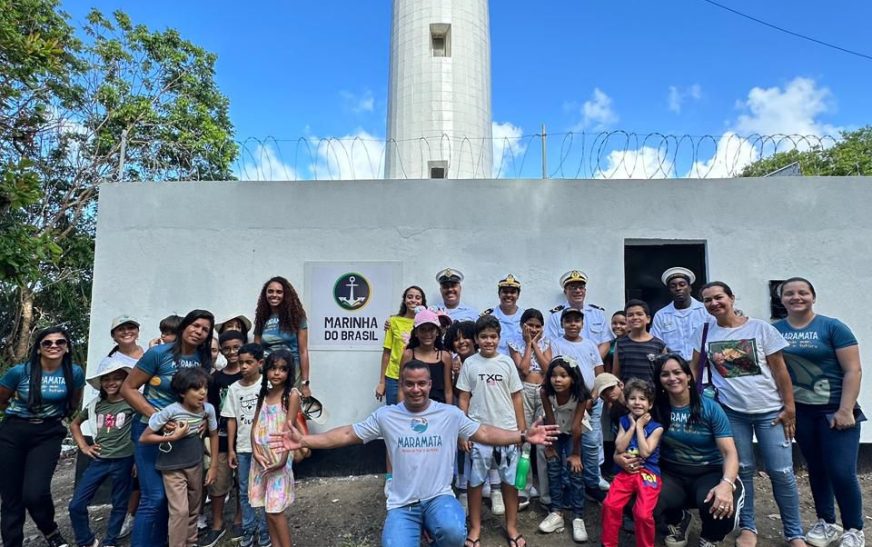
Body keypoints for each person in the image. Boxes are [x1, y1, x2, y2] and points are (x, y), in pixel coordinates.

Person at [267, 360, 559, 547]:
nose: (416, 389)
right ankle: (416, 529)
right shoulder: (387, 416)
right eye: (409, 384)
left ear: (430, 385)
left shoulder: (449, 414)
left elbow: (483, 433)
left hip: (438, 497)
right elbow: (346, 434)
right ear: (402, 386)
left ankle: (433, 535)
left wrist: (522, 435)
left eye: (422, 383)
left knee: (454, 532)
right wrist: (304, 439)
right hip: (402, 504)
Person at [691, 281, 805, 547]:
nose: (714, 303)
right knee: (742, 470)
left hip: (771, 413)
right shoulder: (704, 331)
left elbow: (780, 371)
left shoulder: (760, 328)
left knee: (782, 472)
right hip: (731, 413)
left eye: (718, 297)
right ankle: (748, 527)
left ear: (731, 297)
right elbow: (694, 369)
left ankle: (794, 532)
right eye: (707, 300)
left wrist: (790, 408)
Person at [774, 277, 865, 547]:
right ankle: (827, 522)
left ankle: (854, 528)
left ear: (813, 297)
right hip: (801, 412)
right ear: (781, 300)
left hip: (836, 410)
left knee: (841, 470)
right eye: (789, 293)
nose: (796, 297)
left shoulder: (833, 327)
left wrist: (846, 409)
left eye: (803, 292)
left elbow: (853, 370)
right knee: (816, 468)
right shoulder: (774, 330)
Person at [121, 309, 214, 547]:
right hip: (149, 431)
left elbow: (200, 393)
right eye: (195, 326)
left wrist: (202, 417)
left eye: (205, 329)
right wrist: (158, 417)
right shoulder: (157, 354)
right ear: (184, 326)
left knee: (175, 502)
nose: (199, 332)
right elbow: (128, 389)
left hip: (184, 438)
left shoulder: (204, 359)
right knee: (154, 497)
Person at [637, 353, 744, 547]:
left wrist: (727, 484)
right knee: (639, 500)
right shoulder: (656, 409)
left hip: (708, 471)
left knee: (719, 504)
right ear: (659, 381)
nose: (672, 378)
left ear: (688, 376)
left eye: (677, 372)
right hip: (671, 472)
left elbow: (729, 452)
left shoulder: (710, 408)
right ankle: (678, 519)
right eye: (665, 374)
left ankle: (710, 537)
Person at [0, 326, 85, 547]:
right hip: (14, 432)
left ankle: (50, 530)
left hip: (47, 433)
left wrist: (54, 417)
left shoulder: (74, 372)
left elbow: (73, 402)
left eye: (60, 342)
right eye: (47, 343)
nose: (54, 346)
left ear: (66, 348)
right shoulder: (20, 372)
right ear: (38, 349)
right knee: (11, 496)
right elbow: (1, 399)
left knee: (34, 492)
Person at [457, 315, 526, 547]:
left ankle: (512, 526)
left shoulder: (506, 363)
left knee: (510, 483)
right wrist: (463, 431)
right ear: (476, 339)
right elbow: (463, 398)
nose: (489, 341)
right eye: (484, 337)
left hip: (507, 432)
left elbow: (517, 396)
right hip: (478, 433)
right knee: (475, 483)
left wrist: (521, 430)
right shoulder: (470, 364)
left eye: (493, 337)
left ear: (499, 338)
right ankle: (475, 528)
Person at [140, 367, 219, 547]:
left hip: (195, 464)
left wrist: (213, 466)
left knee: (193, 509)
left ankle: (191, 543)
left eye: (205, 388)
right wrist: (174, 437)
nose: (202, 393)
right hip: (172, 467)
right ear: (182, 392)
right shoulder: (170, 411)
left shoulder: (208, 410)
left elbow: (214, 434)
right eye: (196, 389)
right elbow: (145, 437)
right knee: (180, 511)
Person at [68, 358, 136, 547]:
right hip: (99, 460)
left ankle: (110, 541)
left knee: (119, 503)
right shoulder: (95, 404)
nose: (111, 383)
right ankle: (86, 541)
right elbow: (74, 424)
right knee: (76, 505)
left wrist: (138, 460)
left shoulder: (132, 402)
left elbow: (142, 430)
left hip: (124, 460)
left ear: (125, 380)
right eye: (106, 379)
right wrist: (84, 446)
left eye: (117, 378)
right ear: (100, 383)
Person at [550, 307, 609, 500]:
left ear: (582, 324)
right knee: (568, 444)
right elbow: (555, 372)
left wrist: (593, 396)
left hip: (592, 401)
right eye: (568, 321)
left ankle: (592, 483)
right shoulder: (556, 344)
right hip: (569, 403)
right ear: (562, 324)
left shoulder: (591, 344)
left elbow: (599, 372)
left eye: (577, 321)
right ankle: (569, 486)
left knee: (591, 443)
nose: (573, 324)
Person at [98, 315, 146, 537]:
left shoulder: (148, 354)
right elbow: (104, 397)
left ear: (137, 330)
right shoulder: (110, 362)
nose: (126, 332)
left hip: (151, 415)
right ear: (113, 335)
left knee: (148, 470)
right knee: (130, 473)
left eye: (130, 327)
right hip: (125, 421)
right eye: (121, 329)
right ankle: (129, 515)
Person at [601, 379, 664, 547]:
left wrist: (639, 427)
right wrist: (631, 427)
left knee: (643, 513)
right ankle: (608, 543)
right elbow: (620, 447)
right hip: (626, 471)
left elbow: (645, 452)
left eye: (642, 399)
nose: (637, 402)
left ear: (650, 405)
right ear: (627, 402)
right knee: (610, 505)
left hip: (648, 473)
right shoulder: (623, 421)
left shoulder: (656, 428)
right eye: (633, 398)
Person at [249, 349, 301, 547]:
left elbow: (289, 429)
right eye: (273, 368)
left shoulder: (291, 395)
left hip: (279, 458)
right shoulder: (263, 393)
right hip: (260, 459)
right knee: (267, 509)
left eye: (282, 369)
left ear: (289, 372)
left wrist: (281, 460)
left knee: (275, 510)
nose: (277, 373)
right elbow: (254, 424)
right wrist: (254, 450)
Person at [537, 356, 591, 543]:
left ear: (573, 378)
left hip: (573, 432)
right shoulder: (545, 392)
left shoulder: (581, 395)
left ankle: (577, 516)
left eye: (563, 376)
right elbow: (550, 420)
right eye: (553, 376)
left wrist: (576, 454)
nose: (557, 380)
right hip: (555, 429)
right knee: (553, 468)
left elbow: (576, 428)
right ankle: (556, 512)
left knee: (575, 471)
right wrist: (550, 446)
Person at [201, 330, 247, 547]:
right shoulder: (216, 378)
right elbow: (209, 406)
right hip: (220, 435)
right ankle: (217, 524)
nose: (232, 352)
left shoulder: (251, 375)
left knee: (243, 481)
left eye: (236, 347)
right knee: (218, 482)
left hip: (246, 436)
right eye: (226, 348)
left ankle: (239, 518)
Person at [224, 343, 272, 547]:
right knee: (244, 491)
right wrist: (231, 448)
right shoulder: (234, 389)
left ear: (260, 363)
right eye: (240, 362)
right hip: (243, 448)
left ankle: (264, 531)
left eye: (248, 362)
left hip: (265, 448)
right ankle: (248, 529)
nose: (243, 366)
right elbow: (231, 419)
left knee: (264, 491)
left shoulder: (268, 385)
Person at [507, 308, 552, 505]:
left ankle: (545, 491)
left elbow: (548, 368)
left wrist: (536, 345)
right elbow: (524, 369)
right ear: (522, 325)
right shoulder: (514, 342)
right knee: (524, 439)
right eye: (530, 325)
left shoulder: (547, 342)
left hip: (542, 390)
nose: (533, 329)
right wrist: (528, 344)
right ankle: (524, 487)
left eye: (537, 326)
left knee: (543, 442)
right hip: (524, 390)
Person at [545, 270, 613, 358]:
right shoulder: (555, 316)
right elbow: (550, 344)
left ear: (585, 291)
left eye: (581, 287)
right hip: (566, 366)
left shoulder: (598, 314)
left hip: (594, 364)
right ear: (565, 292)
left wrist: (593, 362)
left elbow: (605, 342)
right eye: (573, 287)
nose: (578, 291)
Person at [376, 285, 426, 405]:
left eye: (418, 298)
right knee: (395, 415)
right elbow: (387, 353)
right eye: (410, 297)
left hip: (418, 376)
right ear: (404, 300)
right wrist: (382, 382)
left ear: (422, 302)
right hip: (394, 377)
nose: (413, 300)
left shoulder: (426, 323)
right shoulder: (393, 321)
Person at [651, 267, 709, 361]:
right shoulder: (661, 315)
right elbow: (658, 345)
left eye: (682, 285)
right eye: (673, 286)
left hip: (703, 368)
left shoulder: (705, 310)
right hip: (675, 369)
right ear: (669, 290)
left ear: (690, 288)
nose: (678, 288)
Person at [400, 309, 453, 405]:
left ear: (437, 332)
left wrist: (448, 413)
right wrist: (401, 413)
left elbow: (448, 390)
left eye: (431, 329)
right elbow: (401, 386)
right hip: (413, 407)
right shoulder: (408, 354)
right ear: (416, 333)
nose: (427, 333)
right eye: (423, 329)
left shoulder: (445, 356)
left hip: (438, 409)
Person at [612, 299, 667, 385]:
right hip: (627, 396)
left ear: (648, 319)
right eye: (630, 315)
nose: (635, 317)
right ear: (626, 320)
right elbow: (616, 375)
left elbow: (664, 374)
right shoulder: (620, 344)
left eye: (639, 314)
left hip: (652, 396)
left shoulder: (659, 345)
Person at [481, 274, 523, 355]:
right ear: (499, 294)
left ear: (518, 295)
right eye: (505, 292)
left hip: (520, 364)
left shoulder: (526, 317)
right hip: (495, 364)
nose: (508, 295)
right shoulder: (488, 317)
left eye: (513, 292)